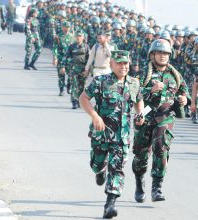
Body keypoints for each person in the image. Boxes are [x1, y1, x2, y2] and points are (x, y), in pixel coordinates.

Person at [79, 50, 144, 218]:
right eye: (119, 63)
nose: (123, 66)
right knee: (97, 164)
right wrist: (95, 116)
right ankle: (100, 171)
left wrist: (140, 114)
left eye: (126, 63)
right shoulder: (101, 81)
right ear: (112, 64)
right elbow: (83, 98)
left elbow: (139, 100)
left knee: (117, 169)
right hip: (101, 133)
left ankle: (110, 204)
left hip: (121, 136)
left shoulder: (134, 83)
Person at [132, 39, 189, 203]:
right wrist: (151, 89)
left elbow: (184, 90)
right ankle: (139, 183)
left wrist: (184, 99)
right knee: (141, 154)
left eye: (166, 53)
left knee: (161, 147)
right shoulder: (144, 73)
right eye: (160, 53)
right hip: (146, 113)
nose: (163, 56)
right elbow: (132, 92)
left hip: (166, 115)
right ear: (153, 54)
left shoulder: (175, 75)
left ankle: (157, 187)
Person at [61, 30, 90, 109]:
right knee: (75, 85)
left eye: (80, 36)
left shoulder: (86, 47)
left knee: (82, 86)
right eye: (77, 36)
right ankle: (74, 101)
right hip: (73, 68)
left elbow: (89, 59)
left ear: (83, 38)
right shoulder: (71, 46)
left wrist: (88, 70)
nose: (78, 38)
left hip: (83, 69)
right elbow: (65, 57)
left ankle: (80, 101)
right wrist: (63, 66)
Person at [52, 21, 75, 96]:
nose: (66, 29)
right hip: (61, 58)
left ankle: (68, 86)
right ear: (62, 27)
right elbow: (55, 47)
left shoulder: (72, 37)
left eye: (68, 27)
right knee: (61, 75)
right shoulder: (58, 36)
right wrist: (55, 57)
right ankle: (61, 90)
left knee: (71, 75)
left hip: (70, 60)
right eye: (65, 27)